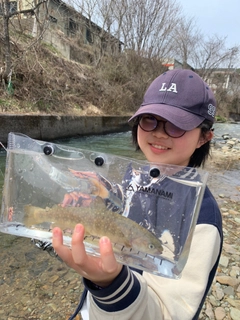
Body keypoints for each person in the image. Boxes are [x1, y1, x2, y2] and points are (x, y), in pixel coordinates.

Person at [52, 69, 223, 320]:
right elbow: (122, 215)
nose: (159, 132)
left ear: (204, 138)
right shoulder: (136, 175)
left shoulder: (203, 218)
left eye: (177, 125)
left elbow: (167, 313)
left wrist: (110, 282)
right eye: (149, 119)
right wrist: (103, 195)